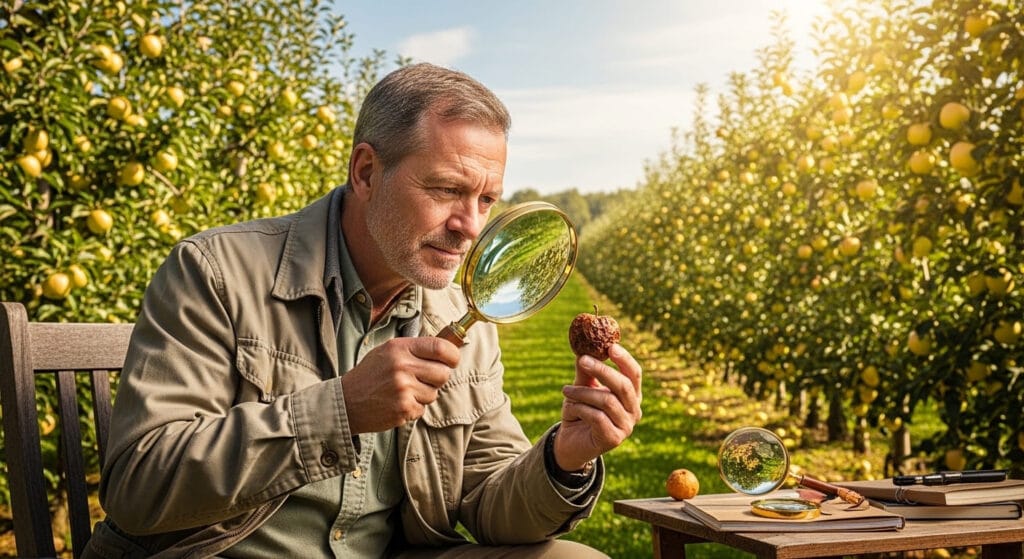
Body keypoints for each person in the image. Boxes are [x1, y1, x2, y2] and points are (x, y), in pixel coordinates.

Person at [83, 63, 642, 559]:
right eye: (447, 189)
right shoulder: (217, 271)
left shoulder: (461, 315)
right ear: (367, 172)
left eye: (487, 199)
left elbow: (488, 500)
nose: (470, 225)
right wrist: (340, 410)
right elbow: (138, 487)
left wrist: (562, 458)